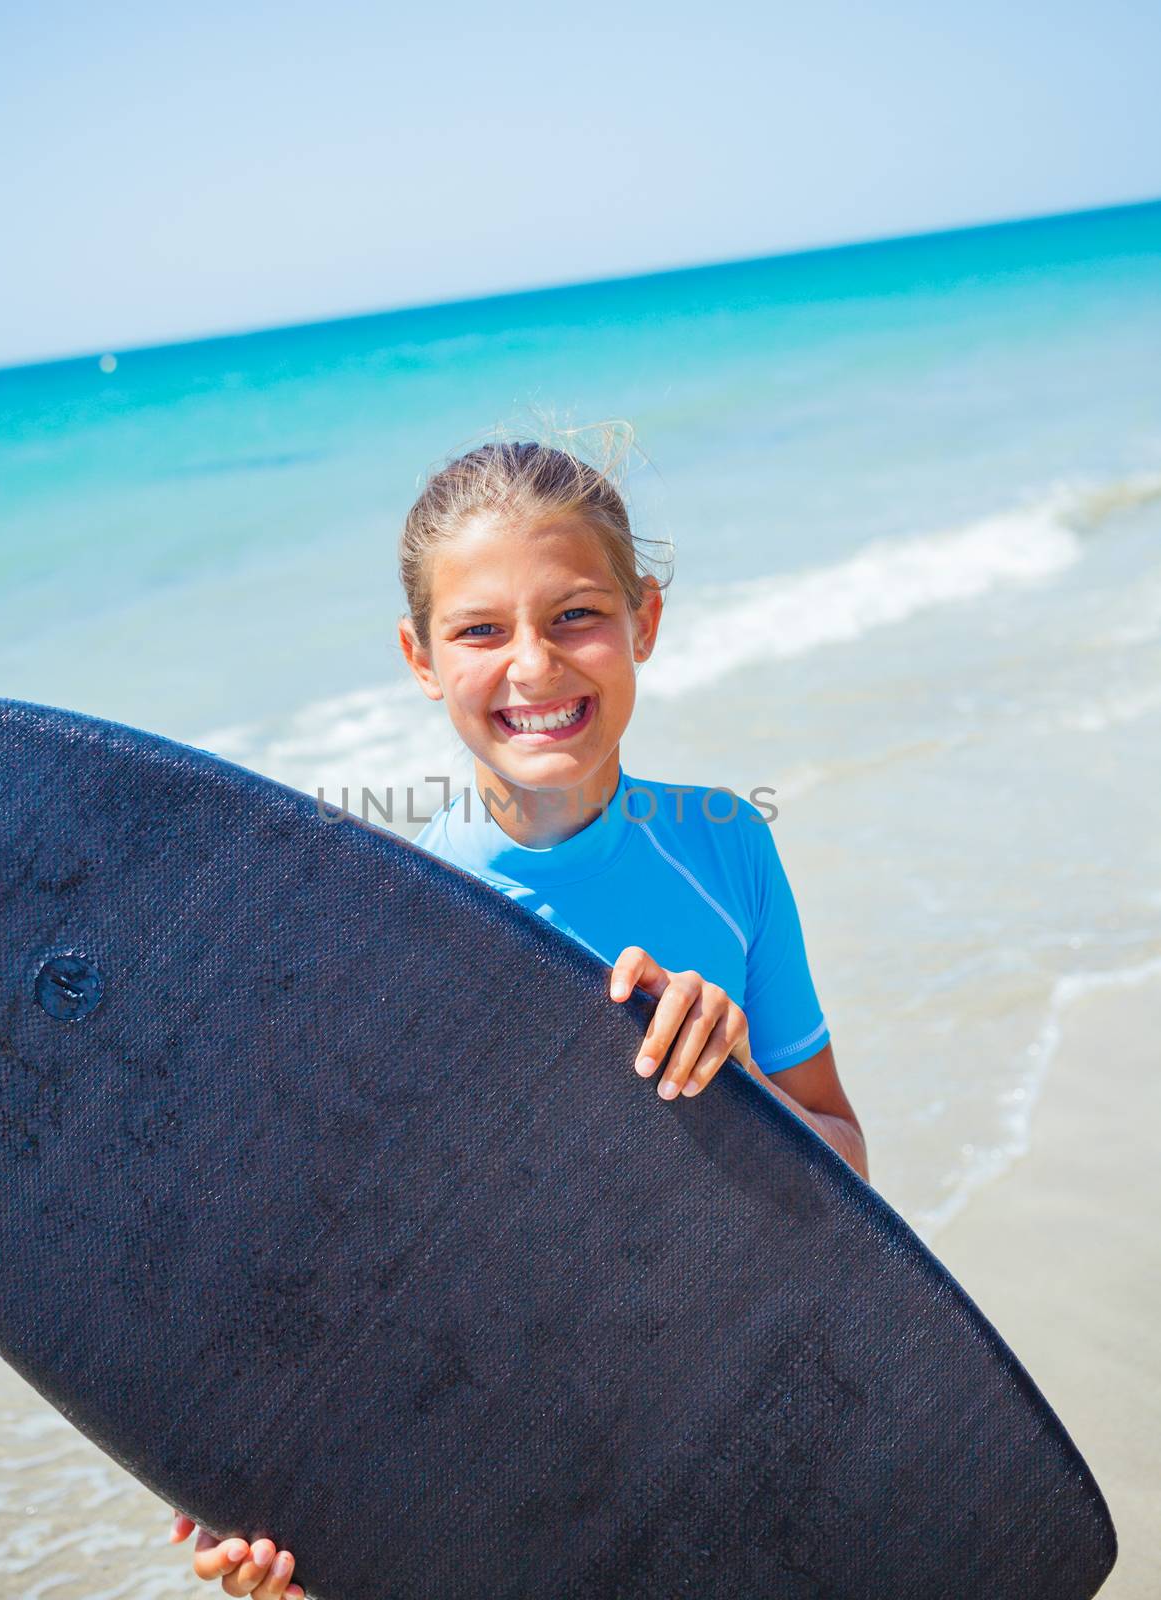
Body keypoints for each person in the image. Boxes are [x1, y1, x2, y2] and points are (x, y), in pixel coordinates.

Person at [166, 427, 866, 1597]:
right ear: (421, 657)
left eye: (576, 614)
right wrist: (282, 1502)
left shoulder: (726, 850)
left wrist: (737, 1094)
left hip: (729, 1424)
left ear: (644, 620)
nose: (535, 666)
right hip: (515, 1470)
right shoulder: (386, 920)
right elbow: (348, 1276)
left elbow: (843, 1151)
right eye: (481, 630)